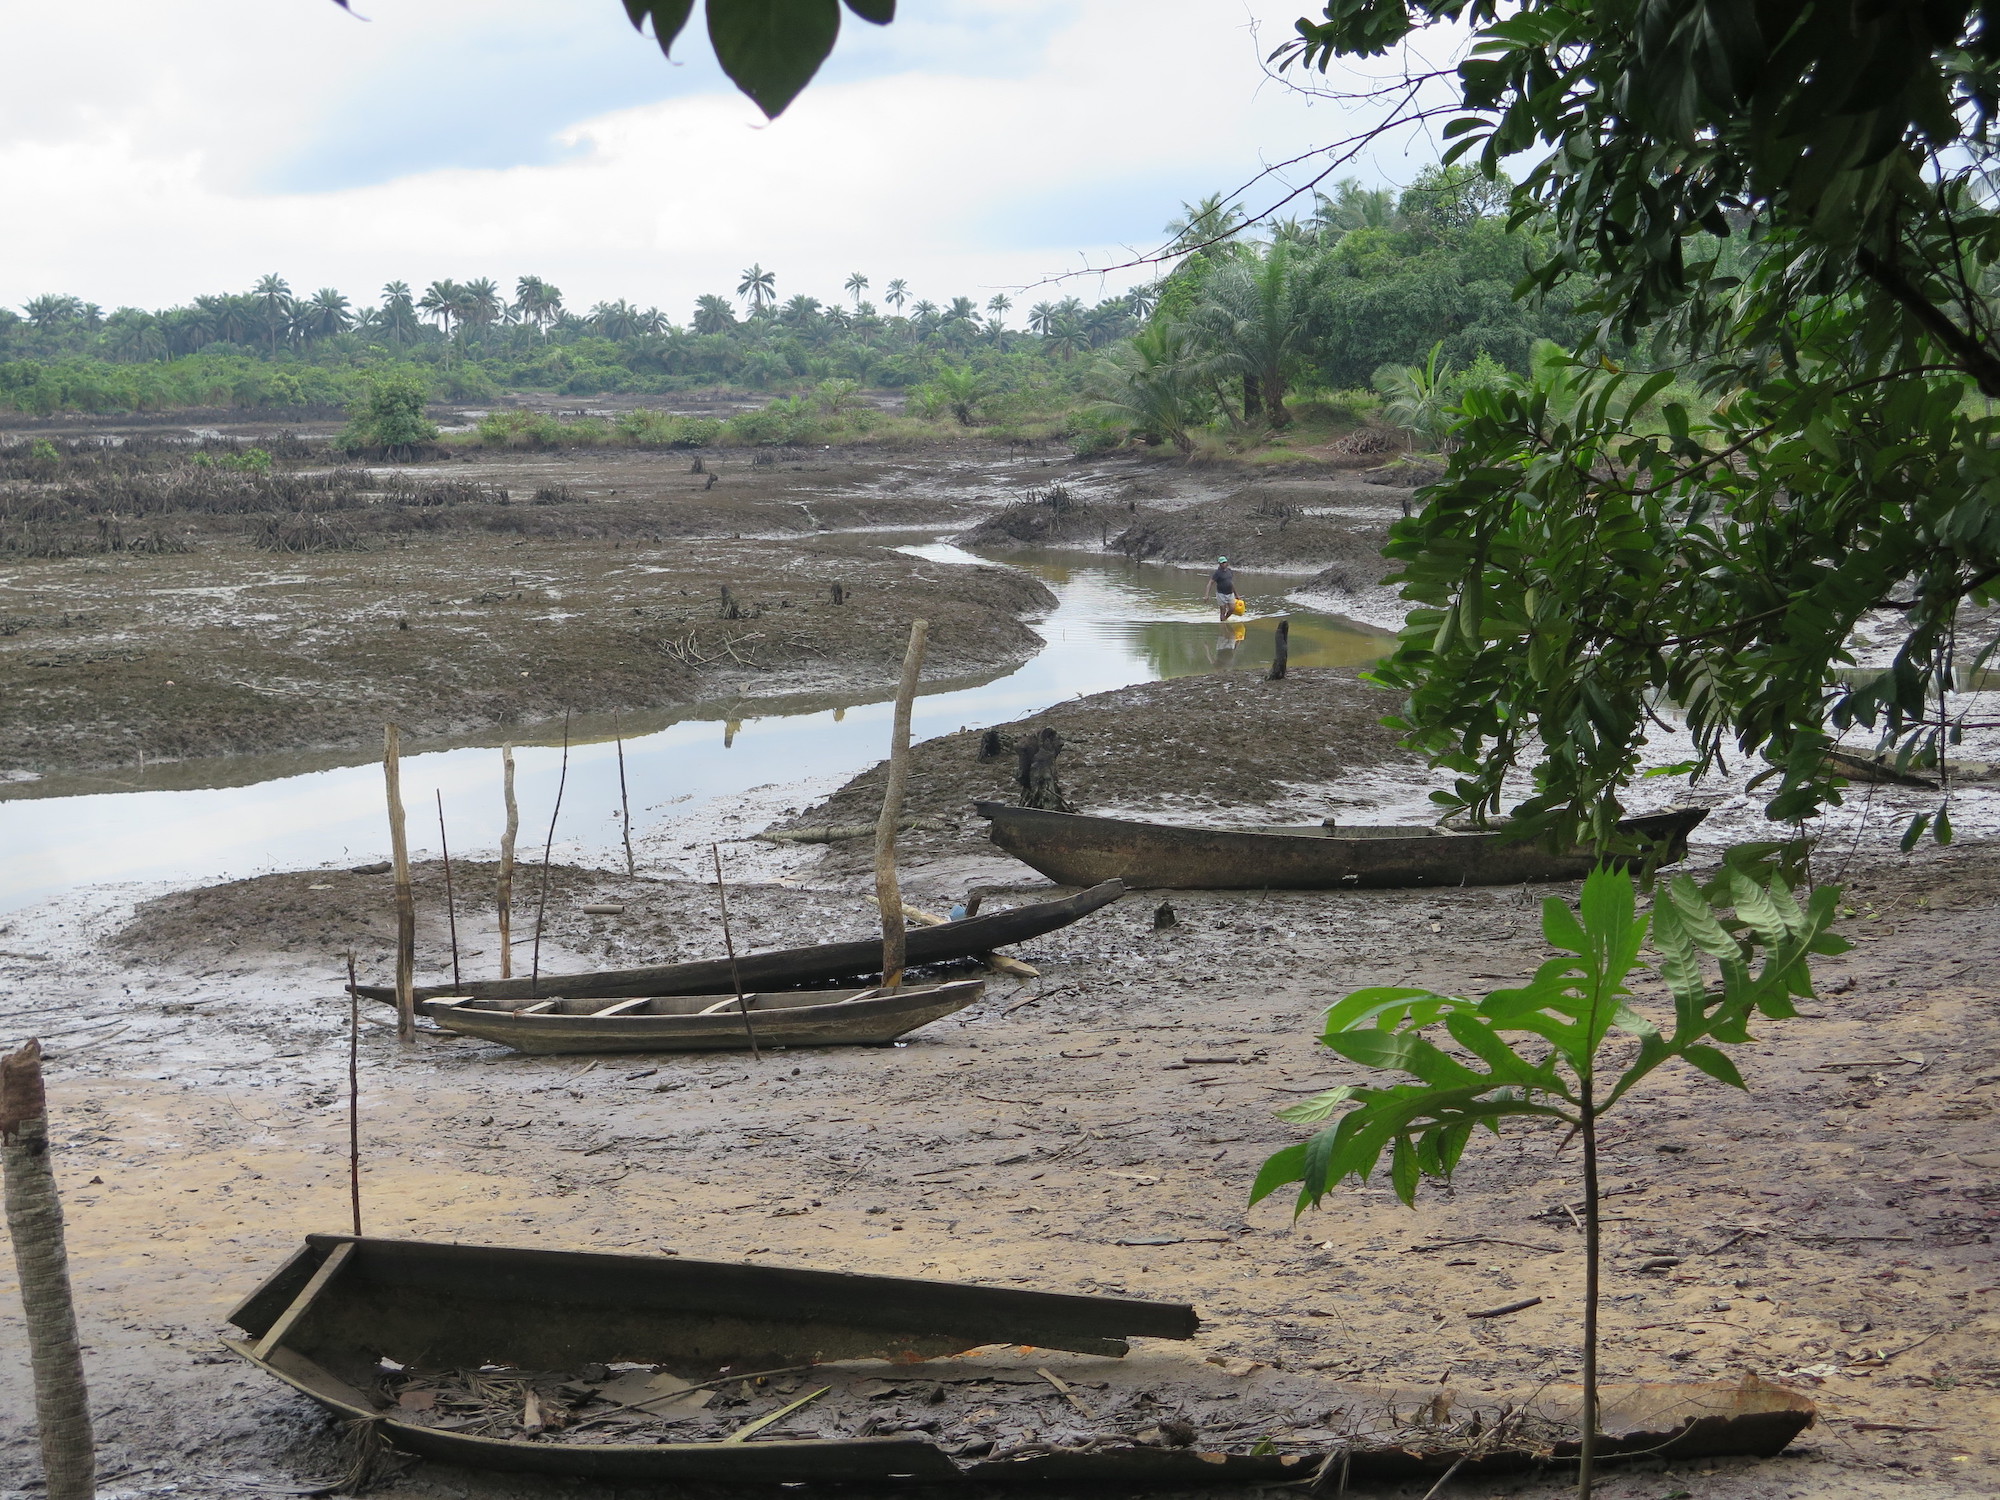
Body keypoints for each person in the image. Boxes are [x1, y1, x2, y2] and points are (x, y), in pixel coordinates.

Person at [1205, 556, 1237, 623]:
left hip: (1230, 593)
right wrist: (1206, 595)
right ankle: (1223, 625)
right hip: (1221, 594)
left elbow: (1231, 583)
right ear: (1219, 564)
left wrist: (1237, 595)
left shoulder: (1229, 571)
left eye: (1224, 562)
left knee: (1232, 608)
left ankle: (1225, 619)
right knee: (1223, 610)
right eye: (1222, 563)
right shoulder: (1217, 573)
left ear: (1227, 563)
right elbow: (1210, 583)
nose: (1223, 564)